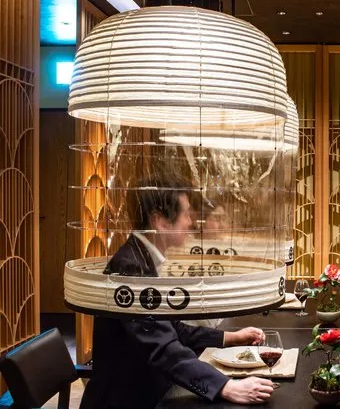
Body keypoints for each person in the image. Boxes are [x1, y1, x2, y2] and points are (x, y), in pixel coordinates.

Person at [80, 174, 274, 409]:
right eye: (186, 214)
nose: (191, 223)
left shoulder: (141, 256)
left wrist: (228, 338)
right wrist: (226, 387)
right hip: (126, 400)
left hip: (149, 389)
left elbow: (172, 329)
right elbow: (163, 348)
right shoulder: (130, 266)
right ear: (160, 221)